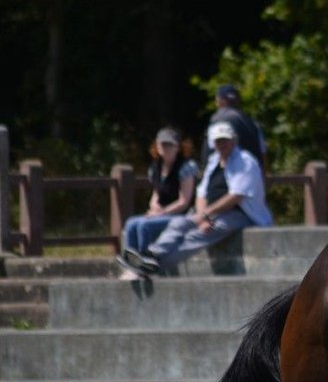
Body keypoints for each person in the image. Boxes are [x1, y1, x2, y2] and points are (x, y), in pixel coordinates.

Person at [118, 120, 273, 277]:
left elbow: (236, 196)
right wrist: (202, 215)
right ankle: (151, 255)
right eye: (218, 141)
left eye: (225, 140)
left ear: (233, 140)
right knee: (179, 224)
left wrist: (206, 215)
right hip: (210, 212)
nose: (222, 144)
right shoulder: (214, 161)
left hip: (240, 213)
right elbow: (202, 193)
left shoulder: (246, 161)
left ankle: (154, 267)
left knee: (196, 236)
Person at [116, 128, 199, 268]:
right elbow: (156, 193)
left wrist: (161, 212)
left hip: (181, 215)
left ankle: (145, 262)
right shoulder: (155, 167)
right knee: (131, 223)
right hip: (161, 213)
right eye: (162, 145)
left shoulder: (186, 167)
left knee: (144, 226)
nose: (166, 148)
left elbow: (184, 201)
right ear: (157, 147)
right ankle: (130, 262)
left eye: (169, 145)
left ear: (177, 147)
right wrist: (153, 206)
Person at [204, 83, 268, 170]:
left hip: (229, 177)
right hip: (251, 176)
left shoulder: (216, 120)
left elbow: (212, 151)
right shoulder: (253, 123)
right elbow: (263, 155)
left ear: (219, 100)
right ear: (237, 101)